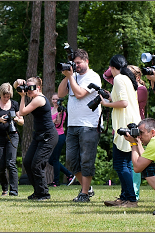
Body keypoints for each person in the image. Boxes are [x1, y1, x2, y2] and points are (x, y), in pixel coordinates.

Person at [57, 48, 102, 202]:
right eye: (74, 63)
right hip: (73, 124)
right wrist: (67, 76)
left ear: (86, 61)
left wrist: (71, 77)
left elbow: (80, 94)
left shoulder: (93, 77)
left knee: (86, 160)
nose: (76, 66)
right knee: (70, 160)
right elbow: (61, 94)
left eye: (78, 63)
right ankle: (87, 188)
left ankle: (84, 194)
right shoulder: (72, 76)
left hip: (89, 124)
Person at [99, 55, 141, 208]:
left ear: (112, 67)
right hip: (130, 124)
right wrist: (110, 97)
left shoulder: (118, 79)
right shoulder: (127, 79)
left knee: (120, 164)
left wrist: (105, 103)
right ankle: (125, 197)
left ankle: (131, 199)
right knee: (126, 164)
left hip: (125, 126)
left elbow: (123, 103)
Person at [13, 77, 58, 201]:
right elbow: (15, 84)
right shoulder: (34, 97)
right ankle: (37, 192)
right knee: (28, 163)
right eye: (28, 88)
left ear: (38, 88)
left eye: (32, 88)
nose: (29, 91)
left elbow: (22, 112)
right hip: (39, 136)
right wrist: (19, 82)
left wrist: (22, 96)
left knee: (37, 165)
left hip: (48, 136)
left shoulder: (39, 99)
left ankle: (44, 194)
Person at [0, 83, 24, 196]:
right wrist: (0, 119)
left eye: (8, 96)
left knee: (11, 162)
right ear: (0, 94)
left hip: (12, 135)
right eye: (4, 96)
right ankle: (4, 188)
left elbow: (22, 121)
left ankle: (14, 190)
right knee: (1, 164)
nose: (6, 98)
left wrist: (16, 119)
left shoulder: (15, 104)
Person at [47, 93, 74, 187]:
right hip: (51, 136)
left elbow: (57, 123)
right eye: (53, 99)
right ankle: (69, 174)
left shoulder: (63, 111)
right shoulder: (49, 110)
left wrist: (59, 113)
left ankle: (56, 182)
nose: (55, 101)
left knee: (55, 159)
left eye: (57, 99)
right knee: (50, 160)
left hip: (59, 136)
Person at [129, 65, 147, 200]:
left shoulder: (141, 90)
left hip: (136, 129)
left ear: (138, 77)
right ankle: (128, 192)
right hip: (128, 127)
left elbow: (128, 102)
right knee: (126, 162)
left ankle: (134, 193)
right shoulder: (130, 89)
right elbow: (107, 75)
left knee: (135, 161)